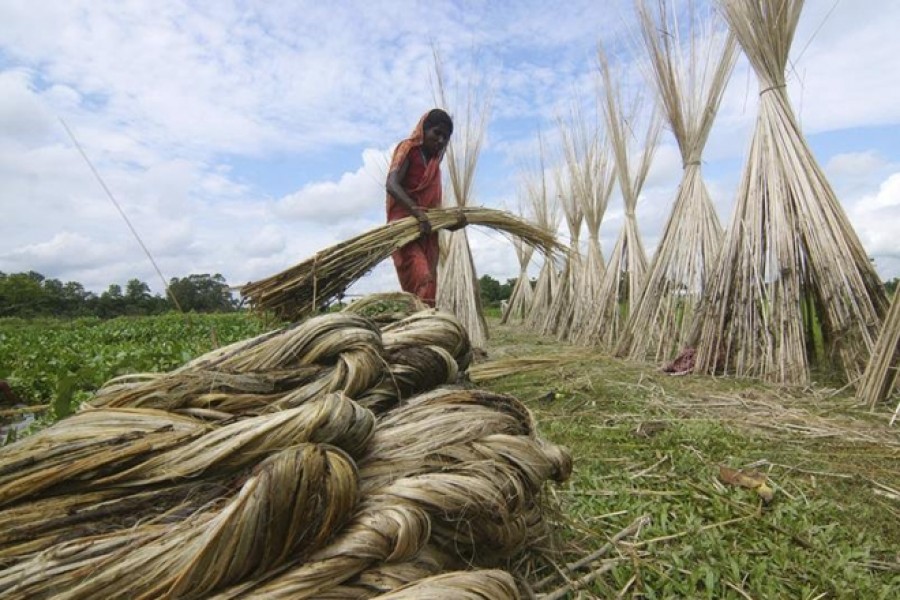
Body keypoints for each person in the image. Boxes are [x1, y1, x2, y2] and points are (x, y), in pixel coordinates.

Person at [385, 108, 465, 307]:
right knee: (423, 278)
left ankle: (421, 329)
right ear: (424, 130)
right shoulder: (409, 149)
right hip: (405, 227)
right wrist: (418, 214)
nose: (440, 140)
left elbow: (432, 213)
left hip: (426, 231)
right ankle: (422, 326)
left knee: (428, 288)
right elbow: (392, 184)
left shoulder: (433, 164)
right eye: (437, 133)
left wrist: (454, 222)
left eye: (445, 138)